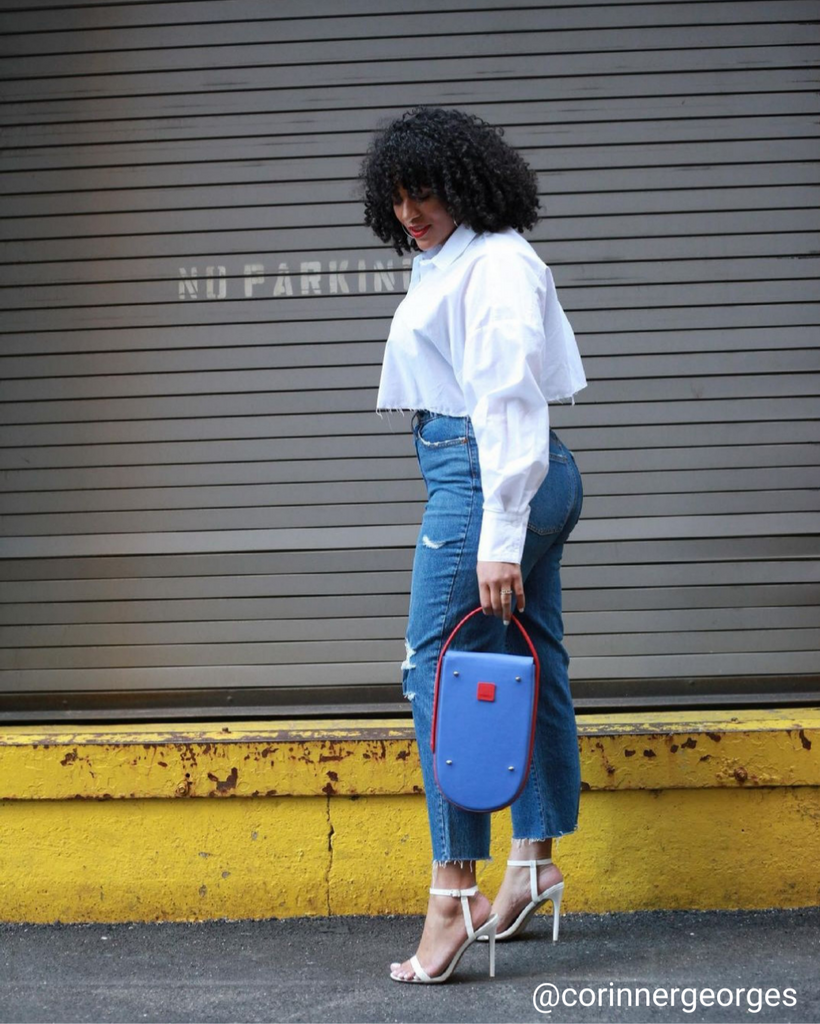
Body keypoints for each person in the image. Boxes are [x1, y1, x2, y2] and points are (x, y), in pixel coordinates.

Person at [359, 106, 587, 985]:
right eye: (400, 196)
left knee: (435, 668)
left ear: (468, 184)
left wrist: (498, 536)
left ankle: (451, 891)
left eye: (427, 193)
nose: (412, 211)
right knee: (533, 659)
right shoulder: (450, 260)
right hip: (515, 474)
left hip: (490, 471)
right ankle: (531, 863)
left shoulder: (493, 263)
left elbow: (505, 403)